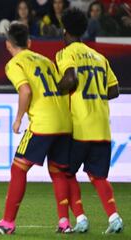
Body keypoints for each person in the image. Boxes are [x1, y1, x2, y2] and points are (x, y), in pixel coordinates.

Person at [0, 21, 73, 235]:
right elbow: (63, 87)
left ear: (7, 45)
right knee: (58, 172)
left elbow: (25, 91)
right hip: (64, 121)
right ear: (29, 42)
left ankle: (7, 222)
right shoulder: (46, 60)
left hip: (43, 123)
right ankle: (64, 223)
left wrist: (18, 118)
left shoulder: (15, 63)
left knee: (18, 168)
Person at [56, 8, 123, 234]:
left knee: (65, 172)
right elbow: (115, 90)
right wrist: (95, 94)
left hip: (79, 126)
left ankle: (81, 218)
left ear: (65, 31)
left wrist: (57, 90)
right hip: (102, 125)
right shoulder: (99, 57)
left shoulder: (66, 53)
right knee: (98, 175)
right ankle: (114, 218)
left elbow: (71, 79)